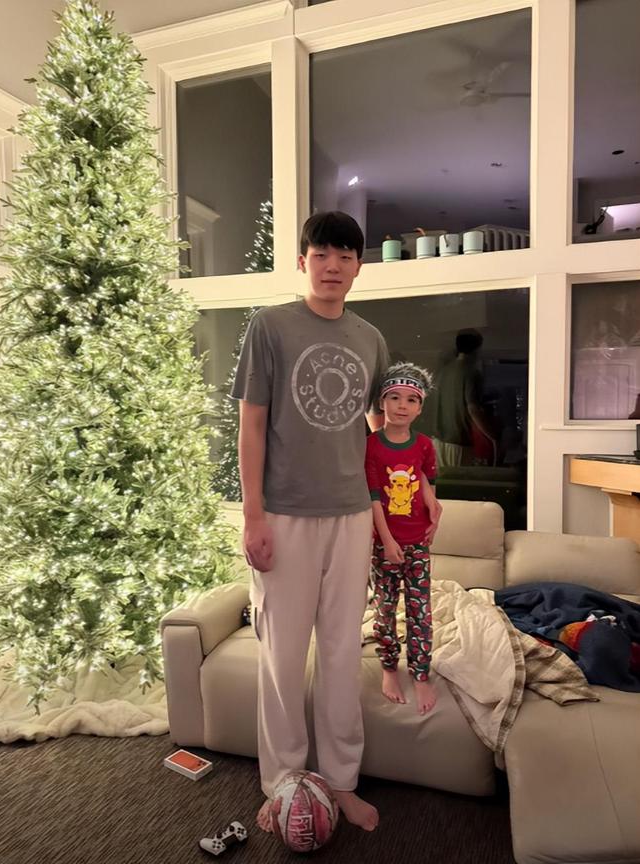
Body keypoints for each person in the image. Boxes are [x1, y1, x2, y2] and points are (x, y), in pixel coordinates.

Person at [232, 211, 388, 833]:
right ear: (303, 261)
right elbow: (250, 426)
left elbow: (377, 428)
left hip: (350, 516)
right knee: (283, 655)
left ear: (358, 266)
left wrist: (408, 491)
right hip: (284, 515)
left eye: (345, 256)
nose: (332, 266)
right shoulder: (270, 326)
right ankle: (283, 783)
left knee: (343, 652)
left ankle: (341, 782)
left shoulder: (371, 339)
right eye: (321, 254)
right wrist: (252, 517)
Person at [365, 363, 439, 715]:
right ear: (382, 403)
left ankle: (420, 673)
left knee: (420, 612)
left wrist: (434, 509)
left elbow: (427, 481)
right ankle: (389, 668)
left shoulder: (424, 445)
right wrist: (387, 540)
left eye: (411, 400)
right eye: (394, 397)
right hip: (385, 545)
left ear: (420, 407)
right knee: (385, 609)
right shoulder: (371, 446)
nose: (402, 406)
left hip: (419, 542)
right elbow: (373, 497)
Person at [434, 328, 496, 467]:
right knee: (460, 479)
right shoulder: (471, 372)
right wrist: (492, 436)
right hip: (459, 443)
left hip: (438, 441)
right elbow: (473, 409)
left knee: (442, 479)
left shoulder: (444, 371)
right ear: (477, 349)